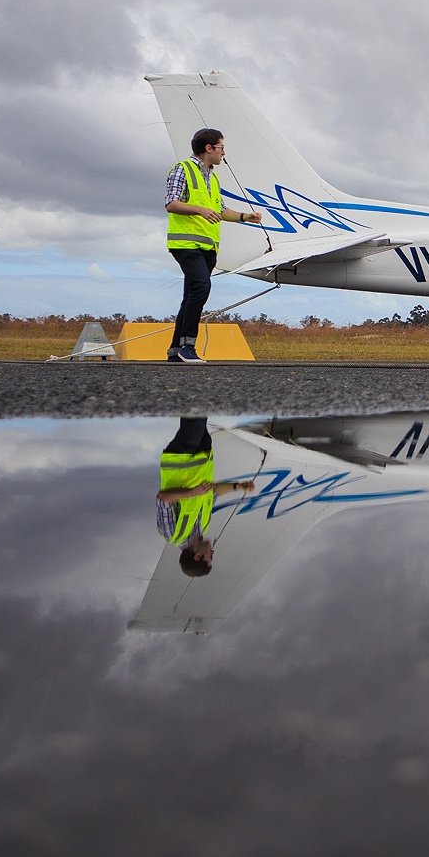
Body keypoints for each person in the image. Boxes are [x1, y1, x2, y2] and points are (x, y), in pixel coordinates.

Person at [164, 128, 262, 362]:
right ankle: (189, 345)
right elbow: (171, 203)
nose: (223, 153)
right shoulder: (182, 170)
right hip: (185, 243)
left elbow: (220, 209)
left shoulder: (213, 177)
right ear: (208, 148)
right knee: (200, 287)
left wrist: (243, 217)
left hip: (208, 247)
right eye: (221, 148)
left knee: (191, 293)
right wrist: (199, 210)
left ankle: (175, 350)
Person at [155, 416, 256, 577]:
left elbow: (163, 498)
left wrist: (192, 493)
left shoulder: (172, 534)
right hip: (202, 459)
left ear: (197, 556)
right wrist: (238, 486)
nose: (212, 551)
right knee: (200, 417)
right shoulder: (203, 526)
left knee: (195, 417)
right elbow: (213, 492)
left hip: (181, 459)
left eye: (210, 556)